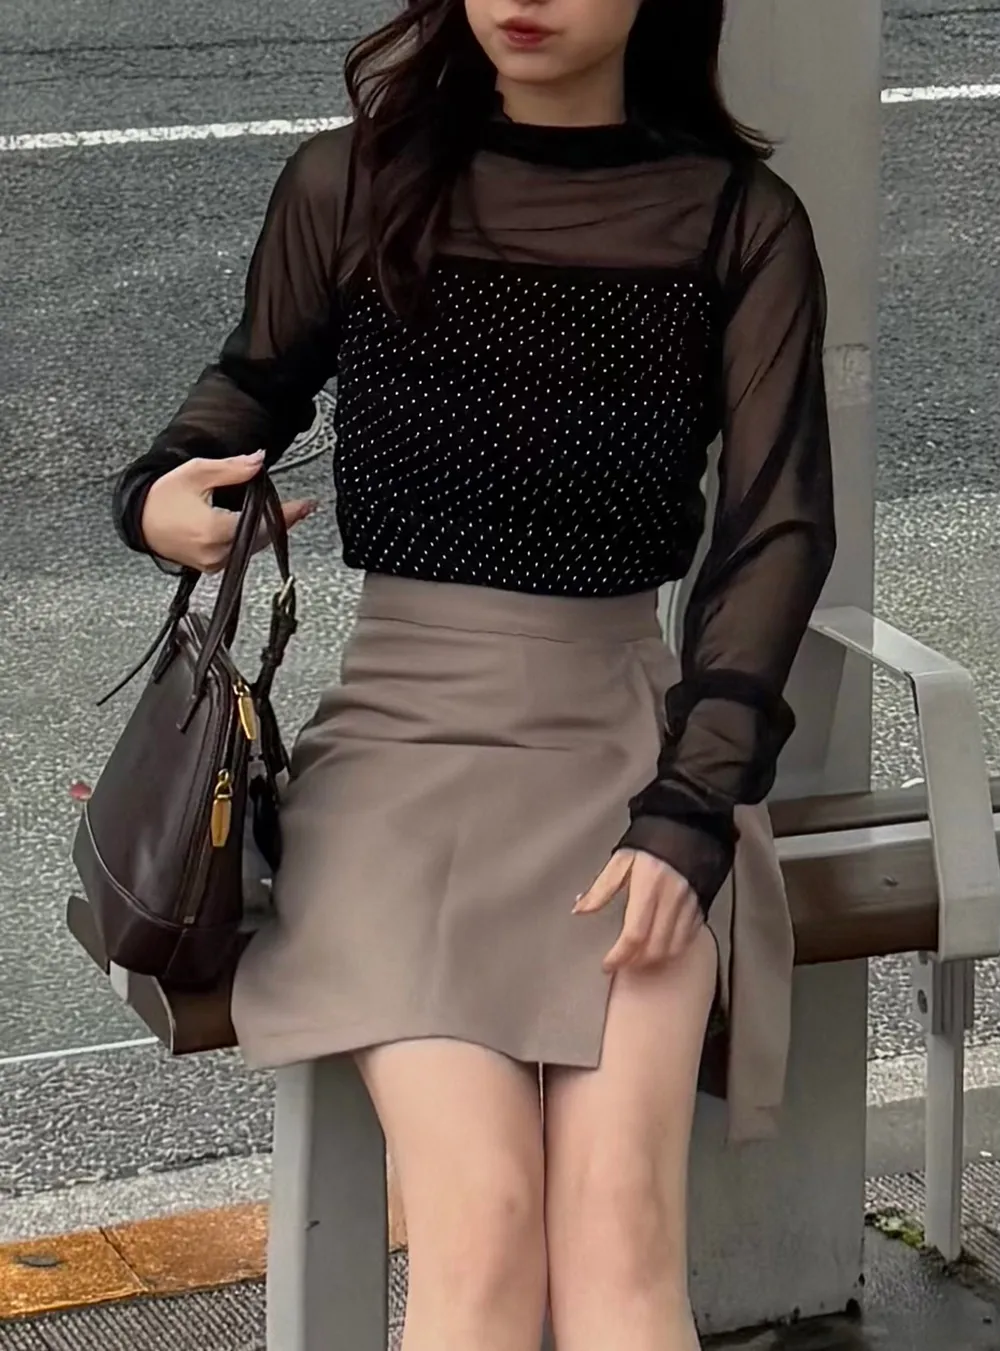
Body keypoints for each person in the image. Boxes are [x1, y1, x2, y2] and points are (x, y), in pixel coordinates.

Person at [112, 1, 836, 1347]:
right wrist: (157, 498)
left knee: (621, 1232)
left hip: (632, 765)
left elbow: (775, 533)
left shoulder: (739, 222)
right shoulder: (353, 181)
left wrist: (690, 812)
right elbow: (245, 391)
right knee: (485, 1226)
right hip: (398, 764)